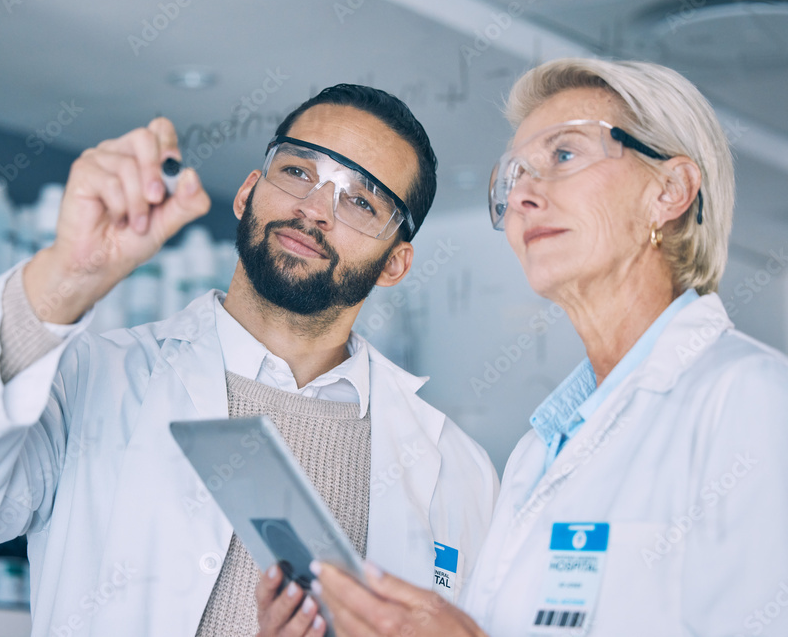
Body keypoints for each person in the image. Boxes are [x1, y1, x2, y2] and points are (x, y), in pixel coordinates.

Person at [0, 84, 498, 636]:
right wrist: (64, 278)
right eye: (298, 170)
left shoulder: (456, 472)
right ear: (249, 192)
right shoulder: (97, 384)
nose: (314, 208)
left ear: (395, 262)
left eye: (360, 200)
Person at [288, 59, 788, 636]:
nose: (523, 193)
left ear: (668, 191)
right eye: (515, 174)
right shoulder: (535, 453)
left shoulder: (748, 399)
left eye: (565, 155)